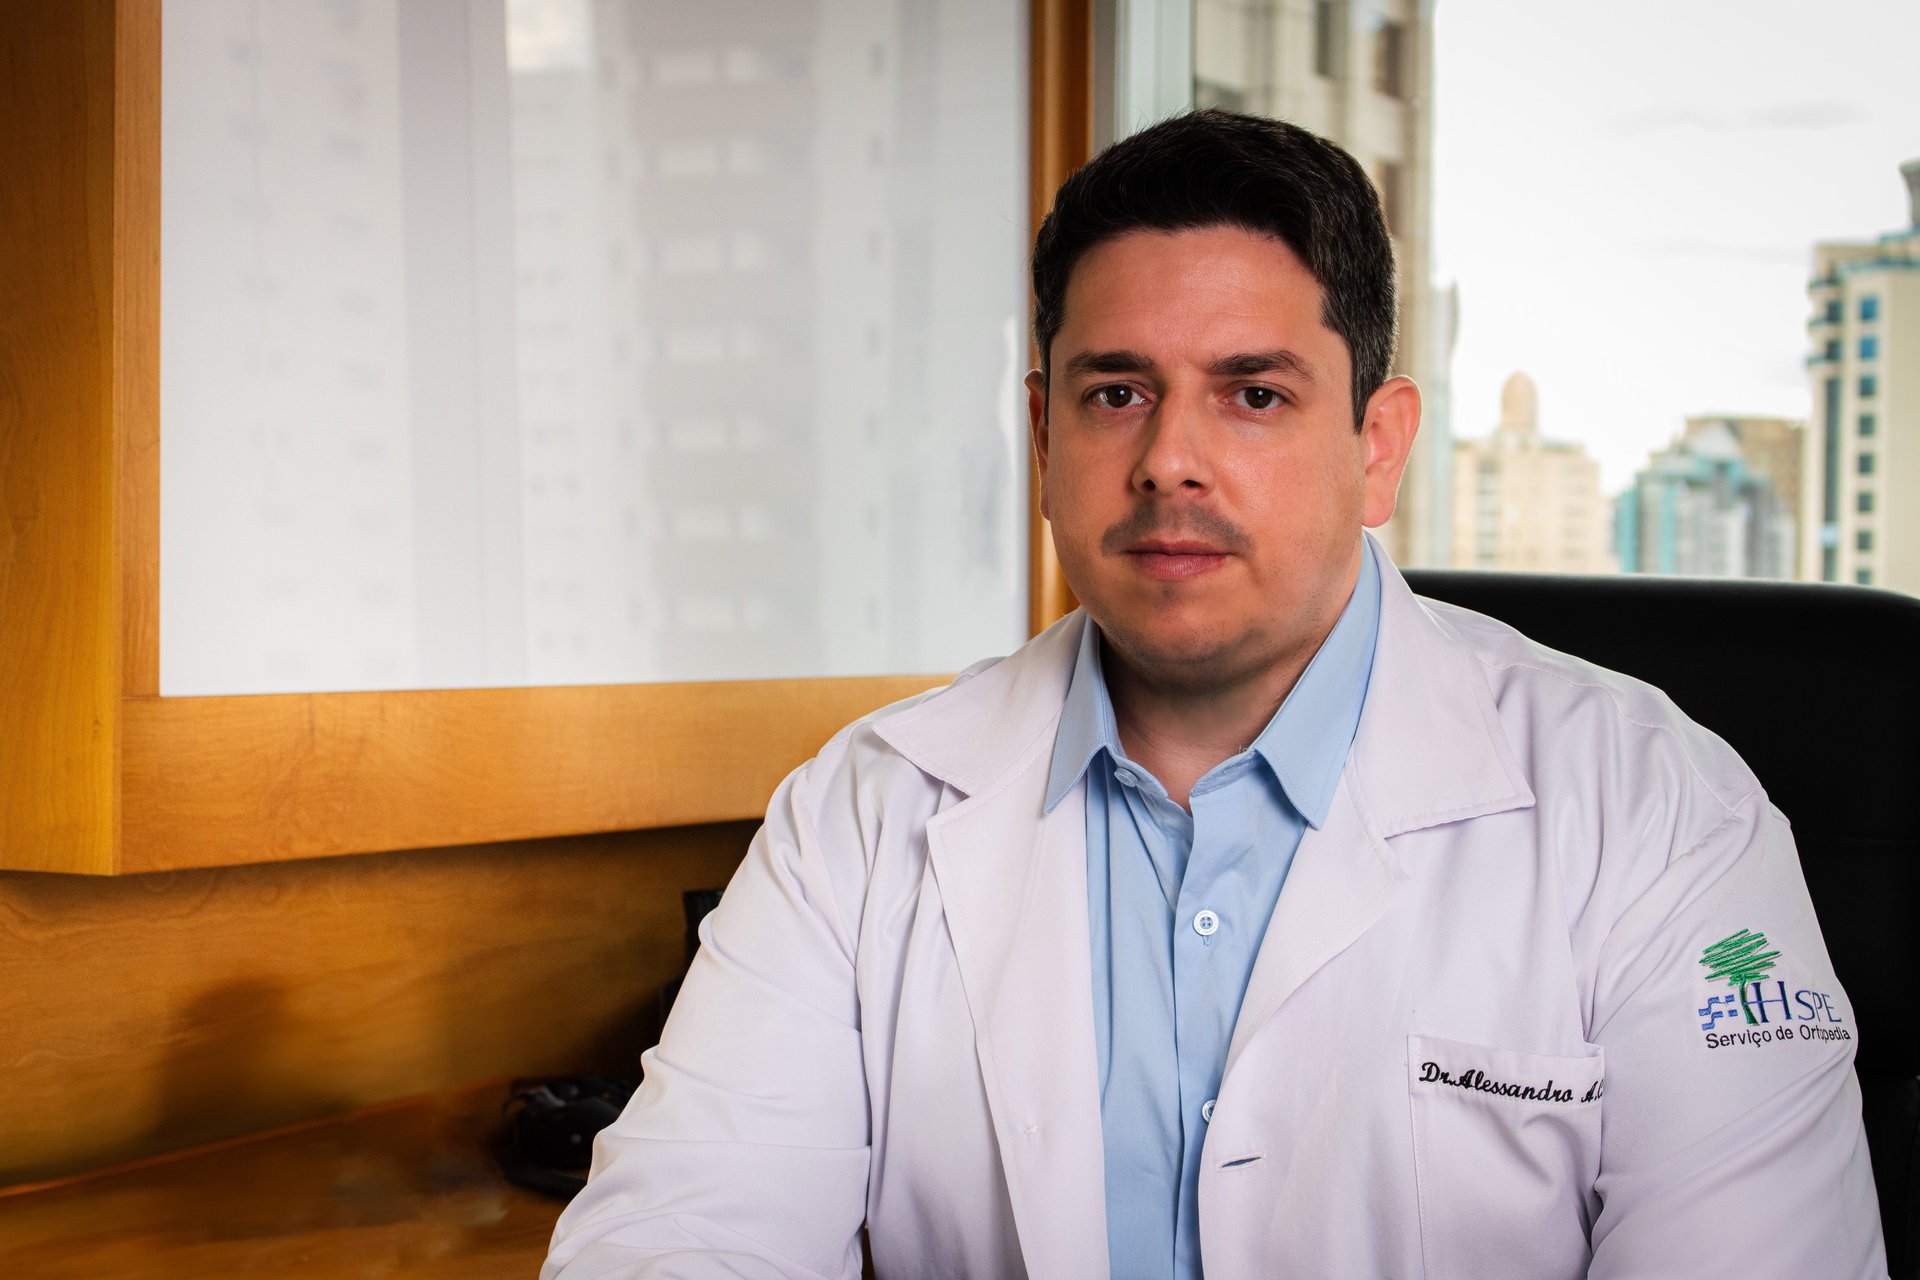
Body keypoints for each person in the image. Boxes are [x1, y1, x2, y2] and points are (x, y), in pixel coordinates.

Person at [542, 110, 1885, 1279]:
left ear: (1378, 447)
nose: (1169, 460)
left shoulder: (1659, 817)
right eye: (1117, 392)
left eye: (1253, 395)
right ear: (1043, 435)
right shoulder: (860, 814)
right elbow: (679, 1234)